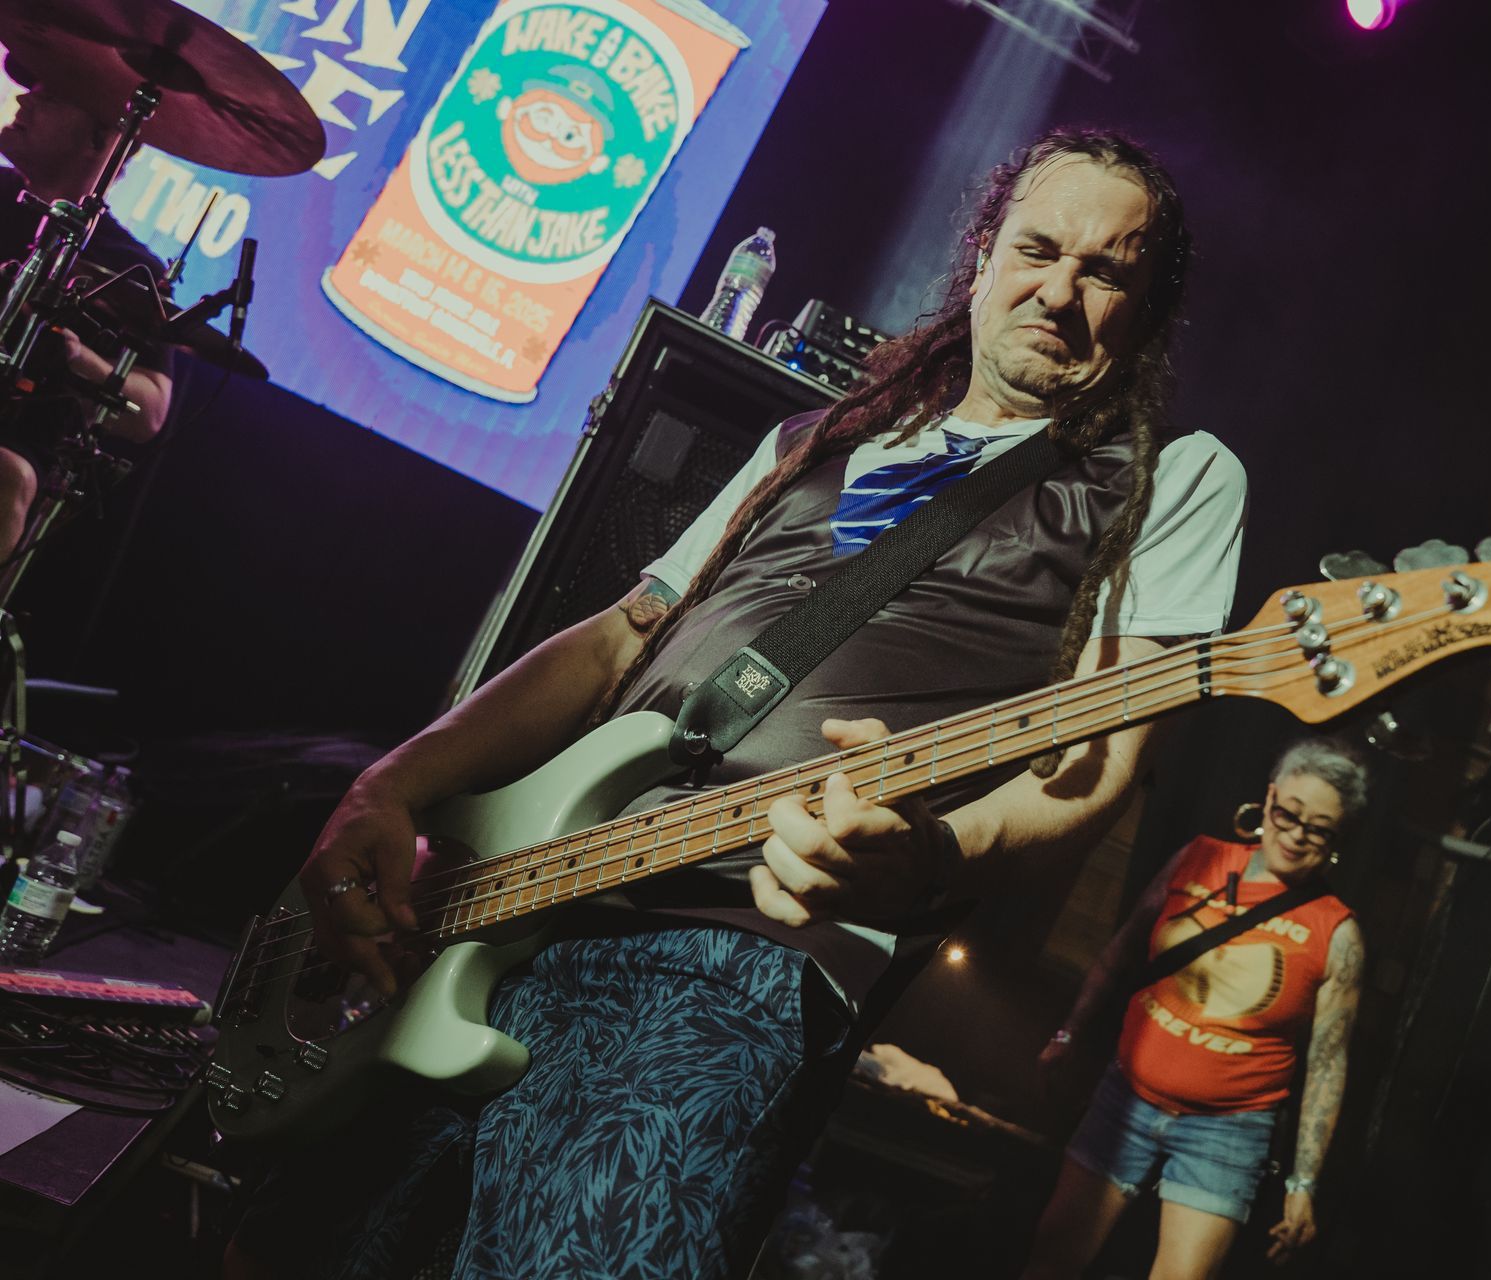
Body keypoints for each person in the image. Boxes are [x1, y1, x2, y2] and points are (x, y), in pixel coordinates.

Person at [225, 125, 1247, 1279]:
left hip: (742, 949)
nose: (1059, 291)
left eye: (1105, 271)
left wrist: (928, 853)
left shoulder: (1173, 475)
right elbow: (621, 635)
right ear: (983, 258)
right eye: (1038, 248)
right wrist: (393, 782)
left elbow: (1098, 766)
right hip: (514, 894)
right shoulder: (812, 439)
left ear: (1147, 309)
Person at [1022, 738, 1369, 1279]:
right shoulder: (1200, 857)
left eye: (1318, 829)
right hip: (1125, 1098)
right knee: (1054, 1255)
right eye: (1289, 813)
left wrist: (1302, 1185)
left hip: (1228, 1131)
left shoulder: (1337, 932)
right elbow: (1119, 953)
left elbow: (1327, 1064)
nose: (1297, 835)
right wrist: (1068, 1035)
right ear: (1269, 799)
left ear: (1336, 839)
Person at [0, 73, 175, 558]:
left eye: (50, 96)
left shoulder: (129, 266)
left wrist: (74, 357)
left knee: (8, 477)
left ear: (102, 139)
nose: (23, 100)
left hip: (14, 433)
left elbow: (149, 414)